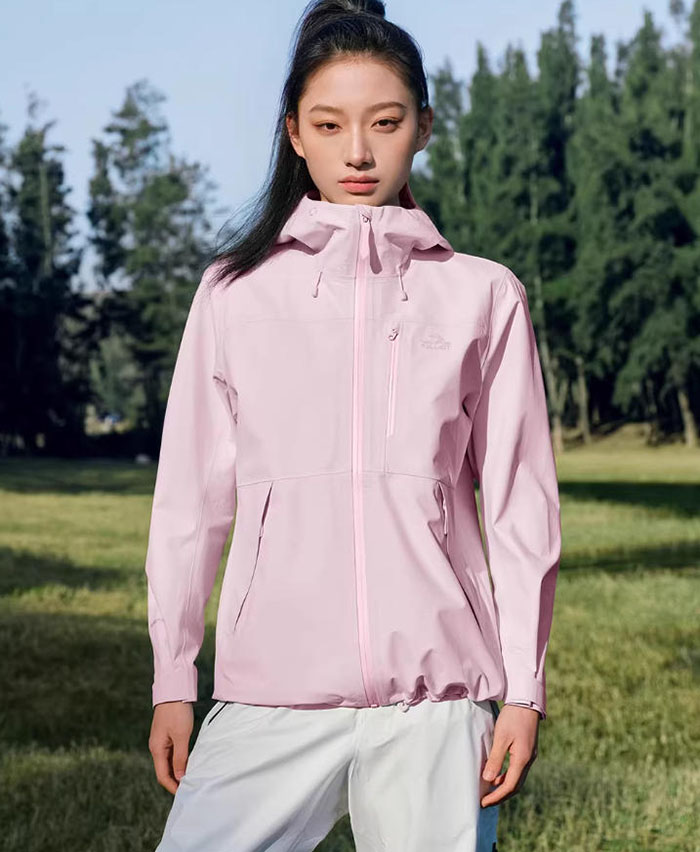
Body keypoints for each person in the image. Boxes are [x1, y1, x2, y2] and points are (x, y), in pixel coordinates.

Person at [144, 1, 562, 850]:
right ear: (295, 134)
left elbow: (522, 510)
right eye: (330, 125)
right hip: (270, 691)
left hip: (437, 701)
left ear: (424, 127)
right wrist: (172, 677)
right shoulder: (234, 293)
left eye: (386, 122)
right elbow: (191, 504)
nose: (359, 152)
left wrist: (523, 691)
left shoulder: (483, 295)